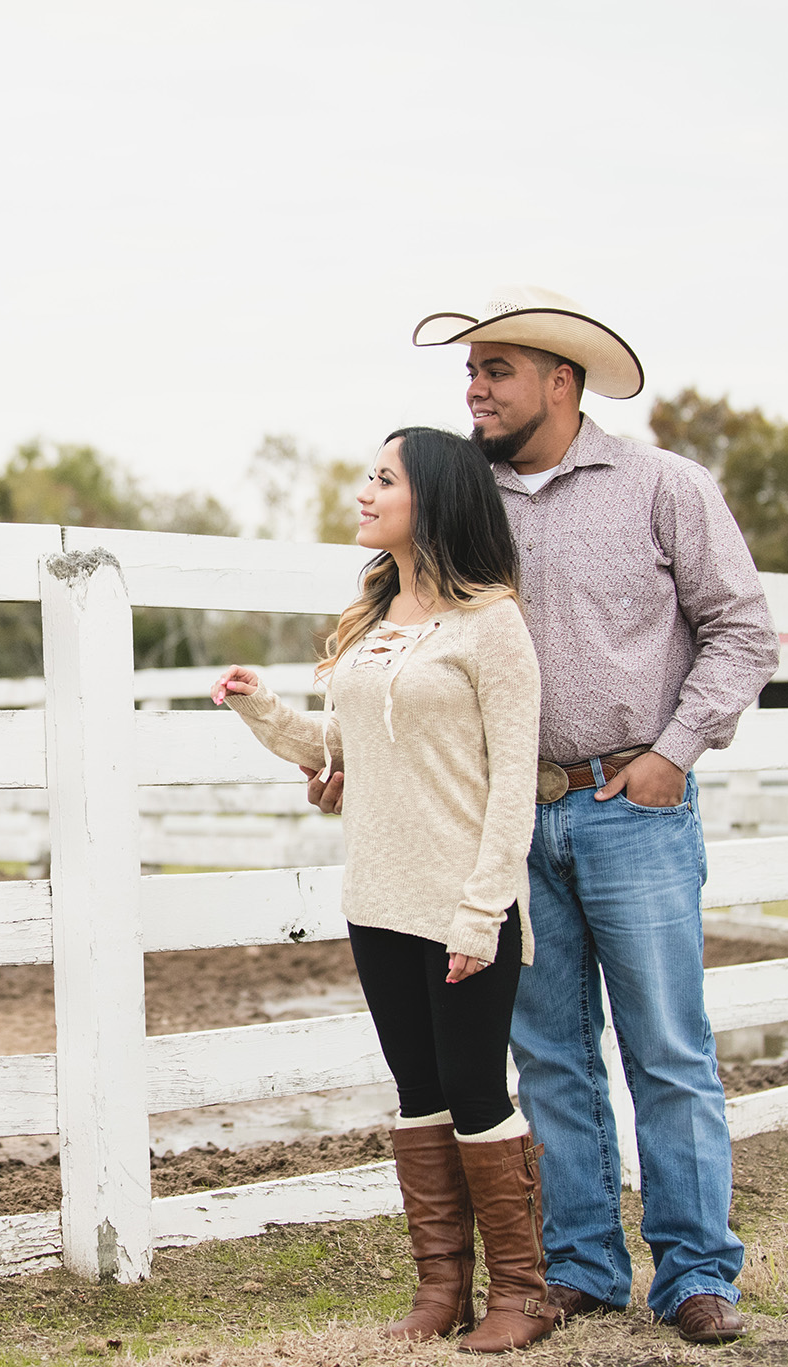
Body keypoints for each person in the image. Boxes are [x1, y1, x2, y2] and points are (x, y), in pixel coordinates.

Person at [385, 285, 779, 1346]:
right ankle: (582, 1267)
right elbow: (402, 635)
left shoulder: (663, 487)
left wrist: (671, 751)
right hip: (508, 820)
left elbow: (741, 631)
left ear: (558, 381)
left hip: (630, 806)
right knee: (548, 1053)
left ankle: (695, 1271)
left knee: (665, 1046)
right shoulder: (459, 502)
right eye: (468, 374)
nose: (473, 390)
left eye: (494, 371)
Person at [210, 427, 555, 1352]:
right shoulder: (370, 624)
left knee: (478, 1091)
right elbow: (338, 755)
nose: (365, 492)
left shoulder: (495, 626)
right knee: (417, 1094)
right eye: (369, 476)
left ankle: (522, 1293)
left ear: (432, 498)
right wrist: (261, 707)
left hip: (464, 905)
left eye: (384, 479)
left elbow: (512, 785)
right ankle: (441, 1288)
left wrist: (484, 913)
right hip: (376, 899)